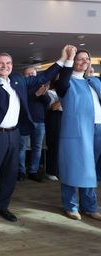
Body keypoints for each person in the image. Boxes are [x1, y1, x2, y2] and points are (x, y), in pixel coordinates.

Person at [0, 41, 65, 224]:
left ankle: (2, 206)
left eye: (8, 63)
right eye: (0, 63)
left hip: (14, 134)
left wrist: (62, 60)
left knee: (10, 174)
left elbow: (42, 78)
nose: (5, 66)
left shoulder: (18, 80)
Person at [55, 47, 101, 221]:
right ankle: (70, 205)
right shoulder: (65, 82)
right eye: (79, 59)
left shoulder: (94, 82)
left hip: (98, 129)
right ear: (73, 62)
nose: (83, 62)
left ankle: (89, 206)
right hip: (77, 132)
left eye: (86, 59)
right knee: (72, 168)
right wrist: (68, 58)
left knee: (91, 171)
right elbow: (63, 80)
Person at [18, 67, 51, 182]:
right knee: (21, 147)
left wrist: (42, 94)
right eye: (28, 74)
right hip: (24, 121)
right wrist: (37, 94)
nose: (31, 75)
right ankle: (21, 171)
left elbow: (47, 102)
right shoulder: (21, 86)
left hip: (40, 121)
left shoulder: (41, 86)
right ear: (24, 76)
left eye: (33, 73)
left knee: (37, 147)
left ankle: (33, 171)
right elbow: (23, 101)